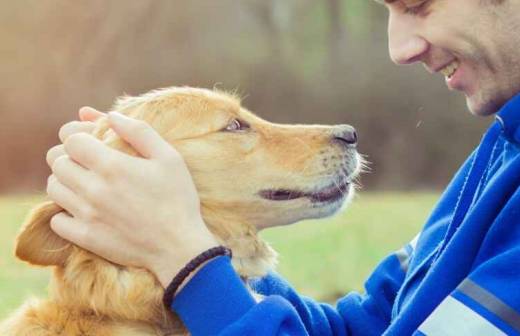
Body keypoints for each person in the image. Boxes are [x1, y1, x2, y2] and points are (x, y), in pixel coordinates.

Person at [45, 0, 520, 334]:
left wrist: (187, 260)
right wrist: (209, 251)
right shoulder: (500, 153)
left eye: (418, 5)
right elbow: (363, 329)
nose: (398, 49)